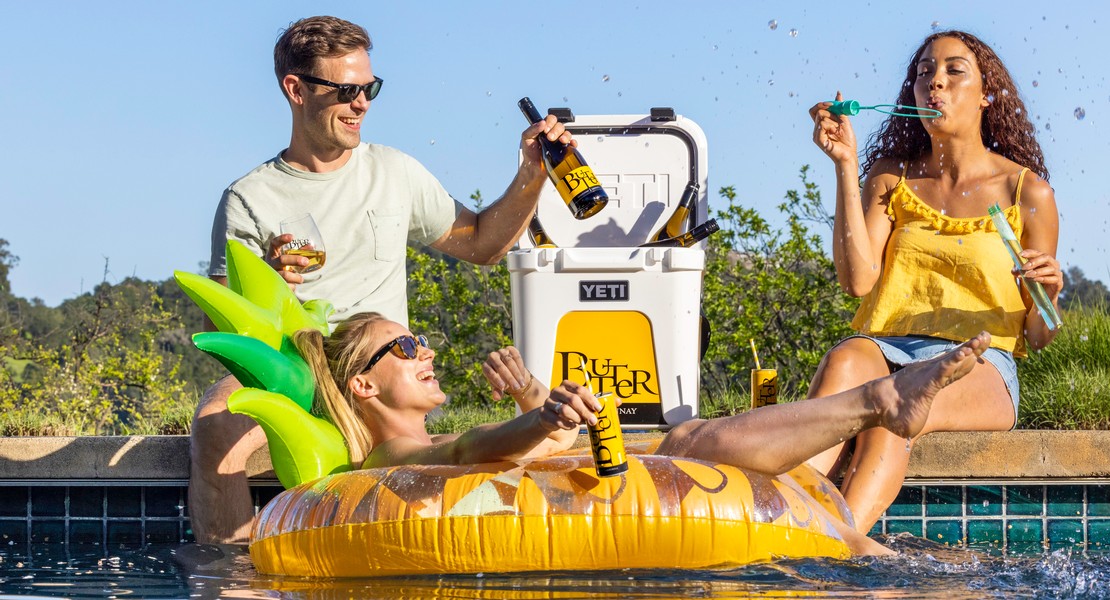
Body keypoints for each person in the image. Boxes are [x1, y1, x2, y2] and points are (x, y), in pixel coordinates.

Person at [191, 16, 573, 544]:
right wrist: (273, 283)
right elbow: (220, 328)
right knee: (215, 421)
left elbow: (482, 244)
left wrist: (532, 173)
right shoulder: (250, 198)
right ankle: (226, 575)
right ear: (295, 89)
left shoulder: (395, 172)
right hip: (295, 365)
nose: (362, 103)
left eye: (369, 88)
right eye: (346, 90)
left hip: (377, 366)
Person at [291, 311, 996, 555]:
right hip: (607, 499)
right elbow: (463, 454)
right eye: (406, 348)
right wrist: (536, 418)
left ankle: (879, 408)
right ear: (362, 385)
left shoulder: (408, 447)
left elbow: (523, 461)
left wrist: (543, 409)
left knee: (692, 441)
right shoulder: (388, 459)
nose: (428, 351)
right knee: (689, 445)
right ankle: (877, 400)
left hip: (600, 488)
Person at [805, 30, 1062, 533]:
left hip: (980, 358)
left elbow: (1038, 335)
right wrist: (845, 166)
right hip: (884, 346)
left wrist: (1046, 295)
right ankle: (779, 520)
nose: (934, 83)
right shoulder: (889, 177)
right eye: (924, 73)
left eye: (953, 71)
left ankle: (835, 550)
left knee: (898, 409)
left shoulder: (1026, 191)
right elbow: (857, 282)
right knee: (844, 360)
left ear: (988, 94)